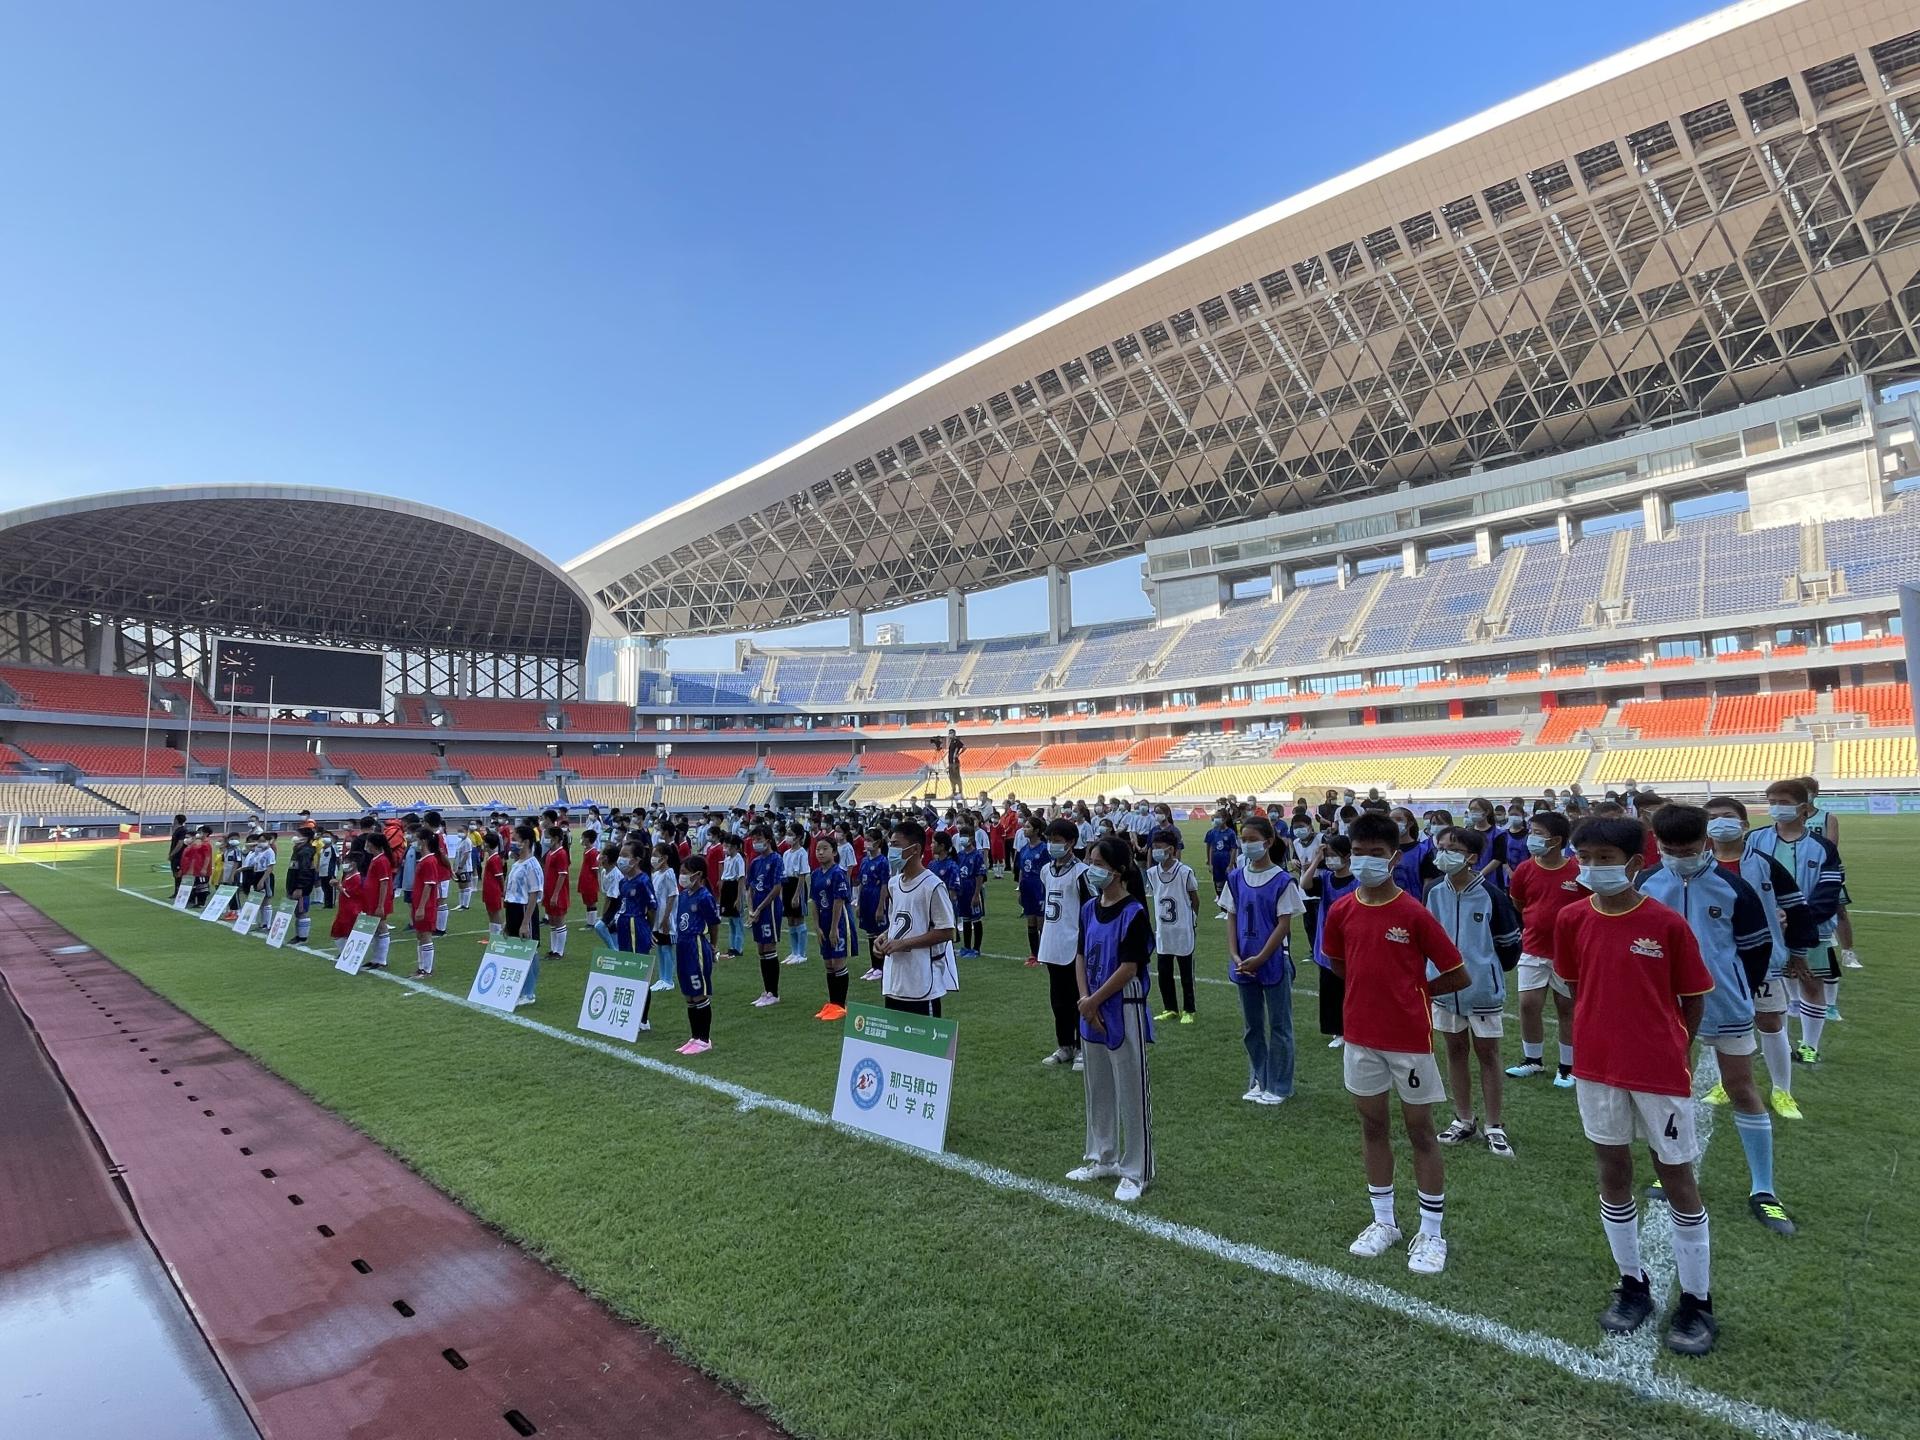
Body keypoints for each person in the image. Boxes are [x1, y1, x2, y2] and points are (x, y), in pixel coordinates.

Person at [1555, 815, 1718, 1354]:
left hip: (1657, 1074)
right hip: (1597, 1069)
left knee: (1676, 1177)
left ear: (1633, 863)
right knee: (1613, 1169)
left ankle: (1697, 1300)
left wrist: (1673, 1047)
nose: (1594, 867)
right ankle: (1632, 1282)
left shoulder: (1667, 925)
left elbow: (1692, 997)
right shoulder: (1572, 919)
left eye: (1606, 858)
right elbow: (1577, 986)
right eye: (1587, 857)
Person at [1320, 812, 1468, 1276]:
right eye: (1358, 853)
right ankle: (1384, 1221)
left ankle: (1431, 1231)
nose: (1365, 862)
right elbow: (1341, 966)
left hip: (1409, 1041)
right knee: (1372, 1128)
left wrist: (1414, 993)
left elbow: (1457, 973)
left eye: (1376, 854)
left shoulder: (1413, 913)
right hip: (1360, 1038)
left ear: (1395, 857)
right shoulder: (1342, 909)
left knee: (1421, 1131)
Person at [1639, 804, 1794, 1235]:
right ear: (1658, 845)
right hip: (1667, 1009)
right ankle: (1669, 1171)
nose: (1678, 856)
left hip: (1727, 1006)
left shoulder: (1734, 889)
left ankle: (1764, 1189)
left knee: (1742, 1088)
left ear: (1705, 842)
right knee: (1672, 1091)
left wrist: (1732, 986)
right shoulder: (1647, 884)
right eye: (1669, 849)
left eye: (1687, 849)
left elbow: (1756, 951)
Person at [1704, 796, 1817, 1120]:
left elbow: (1796, 908)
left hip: (1762, 959)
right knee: (1718, 1024)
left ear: (1744, 825)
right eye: (1712, 818)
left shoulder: (1765, 864)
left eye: (1727, 816)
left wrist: (1797, 952)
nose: (1719, 823)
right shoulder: (1697, 867)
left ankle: (1782, 1090)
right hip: (1715, 962)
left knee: (1770, 1022)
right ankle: (1725, 1084)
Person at [1065, 835, 1156, 1203]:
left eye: (1098, 863)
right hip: (1092, 1007)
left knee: (1131, 1090)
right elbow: (1081, 955)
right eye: (1089, 860)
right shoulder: (1089, 908)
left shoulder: (1134, 911)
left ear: (1118, 870)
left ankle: (1137, 1170)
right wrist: (1086, 1000)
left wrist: (1096, 1001)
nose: (1091, 869)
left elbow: (1130, 966)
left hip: (1124, 1007)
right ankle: (1102, 1157)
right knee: (1097, 1086)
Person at [1425, 826, 1522, 1159]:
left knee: (1488, 1054)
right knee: (1454, 1051)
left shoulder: (1492, 896)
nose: (1443, 852)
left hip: (1481, 992)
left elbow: (1509, 946)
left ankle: (1494, 1125)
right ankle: (1463, 1118)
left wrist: (1486, 972)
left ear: (1471, 857)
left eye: (1452, 847)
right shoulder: (1433, 891)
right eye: (1441, 846)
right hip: (1444, 990)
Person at [1742, 779, 1845, 1064]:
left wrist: (1797, 917)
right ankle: (1779, 1045)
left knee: (1812, 983)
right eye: (1772, 801)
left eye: (1784, 802)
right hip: (1764, 930)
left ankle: (1810, 1045)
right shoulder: (1755, 839)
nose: (1776, 807)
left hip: (1812, 930)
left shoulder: (1823, 847)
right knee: (1774, 986)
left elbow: (1828, 891)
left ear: (1803, 807)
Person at [1222, 816, 1305, 1107]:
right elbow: (1231, 916)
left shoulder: (1283, 880)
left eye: (1251, 839)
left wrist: (1261, 957)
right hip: (1243, 962)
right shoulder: (1235, 878)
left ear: (1268, 842)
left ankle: (1280, 1085)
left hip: (1271, 962)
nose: (1246, 844)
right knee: (1252, 1026)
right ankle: (1259, 1078)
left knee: (1280, 1026)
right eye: (1243, 839)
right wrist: (1235, 955)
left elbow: (1283, 925)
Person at [1505, 809, 1582, 1087]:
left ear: (1557, 840)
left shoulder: (1576, 870)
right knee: (1528, 1004)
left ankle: (1567, 1066)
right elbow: (1519, 902)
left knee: (1566, 1008)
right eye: (1531, 832)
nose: (1531, 838)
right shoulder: (1526, 869)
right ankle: (1532, 1060)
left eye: (1538, 833)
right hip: (1534, 947)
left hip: (1568, 952)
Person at [874, 819, 957, 1017]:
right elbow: (899, 921)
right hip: (895, 980)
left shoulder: (932, 885)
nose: (891, 850)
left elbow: (947, 931)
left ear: (915, 848)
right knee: (896, 1046)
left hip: (922, 982)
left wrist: (903, 944)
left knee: (925, 1047)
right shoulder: (894, 883)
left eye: (896, 845)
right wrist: (885, 936)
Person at [1037, 817, 1090, 1068]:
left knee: (1076, 998)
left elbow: (1089, 911)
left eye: (1056, 841)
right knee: (1058, 1001)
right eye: (1049, 840)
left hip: (1074, 945)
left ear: (1070, 843)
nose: (1051, 845)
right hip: (1052, 944)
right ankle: (1064, 1045)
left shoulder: (1082, 873)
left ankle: (1083, 1047)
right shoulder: (1046, 871)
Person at [1303, 833, 1357, 1048]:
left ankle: (1352, 1028)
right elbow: (1304, 884)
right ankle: (1337, 1031)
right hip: (1326, 944)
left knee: (1350, 989)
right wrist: (1316, 860)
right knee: (1330, 990)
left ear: (1346, 856)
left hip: (1350, 944)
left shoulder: (1357, 881)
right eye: (1328, 855)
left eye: (1334, 855)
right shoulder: (1325, 878)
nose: (1330, 859)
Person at [1145, 827, 1199, 1025]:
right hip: (1163, 931)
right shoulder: (1152, 873)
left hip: (1182, 929)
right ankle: (1170, 1008)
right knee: (1164, 972)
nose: (1156, 851)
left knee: (1185, 973)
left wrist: (1192, 917)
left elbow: (1194, 898)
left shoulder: (1184, 872)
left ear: (1171, 849)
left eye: (1159, 848)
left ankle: (1189, 1009)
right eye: (1154, 847)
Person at [671, 855, 721, 1054]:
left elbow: (714, 923)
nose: (681, 877)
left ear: (698, 875)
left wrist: (713, 946)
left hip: (696, 945)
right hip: (682, 945)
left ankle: (704, 1039)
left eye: (685, 873)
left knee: (699, 993)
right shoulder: (684, 895)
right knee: (689, 995)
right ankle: (694, 1036)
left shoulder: (704, 896)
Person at [809, 836, 854, 1022]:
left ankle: (840, 1005)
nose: (820, 852)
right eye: (818, 849)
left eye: (824, 849)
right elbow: (814, 901)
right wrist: (817, 927)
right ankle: (832, 1004)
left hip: (838, 922)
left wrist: (834, 928)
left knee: (838, 963)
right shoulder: (816, 874)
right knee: (828, 964)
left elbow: (838, 901)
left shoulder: (837, 873)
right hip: (824, 922)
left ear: (834, 852)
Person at [503, 824, 545, 1005]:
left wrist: (525, 922)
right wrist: (507, 922)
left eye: (515, 839)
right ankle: (521, 989)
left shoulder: (532, 865)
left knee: (529, 949)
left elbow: (534, 893)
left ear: (526, 842)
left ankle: (529, 993)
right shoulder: (517, 863)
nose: (512, 842)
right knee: (518, 949)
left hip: (524, 909)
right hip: (513, 908)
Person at [409, 830, 448, 978]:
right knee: (420, 935)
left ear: (423, 841)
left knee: (425, 935)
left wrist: (421, 907)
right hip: (419, 903)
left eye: (416, 838)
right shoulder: (424, 860)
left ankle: (427, 969)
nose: (414, 842)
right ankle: (421, 968)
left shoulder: (430, 861)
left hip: (425, 905)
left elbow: (429, 885)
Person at [856, 826, 891, 983]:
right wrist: (858, 903)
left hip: (876, 898)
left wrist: (880, 906)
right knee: (870, 934)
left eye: (869, 840)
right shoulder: (864, 861)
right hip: (866, 899)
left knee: (879, 934)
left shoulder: (883, 861)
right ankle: (874, 965)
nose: (866, 843)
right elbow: (861, 883)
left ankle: (882, 966)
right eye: (865, 839)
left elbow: (884, 885)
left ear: (878, 843)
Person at [1014, 816, 1049, 967]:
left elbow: (1048, 871)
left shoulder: (1044, 849)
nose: (1024, 829)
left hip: (1040, 888)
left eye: (1028, 827)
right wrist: (1020, 890)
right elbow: (1022, 870)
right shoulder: (1023, 850)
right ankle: (1033, 954)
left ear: (1036, 830)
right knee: (1031, 922)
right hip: (1027, 888)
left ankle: (1044, 955)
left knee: (1042, 924)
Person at [361, 829, 396, 971]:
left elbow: (384, 883)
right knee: (375, 929)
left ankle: (381, 959)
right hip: (372, 899)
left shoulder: (382, 860)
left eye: (368, 843)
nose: (366, 845)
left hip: (378, 900)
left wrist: (381, 905)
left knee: (381, 927)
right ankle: (375, 958)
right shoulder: (376, 859)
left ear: (373, 844)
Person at [650, 841, 680, 994]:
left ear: (665, 858)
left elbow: (672, 896)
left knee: (667, 947)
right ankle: (662, 978)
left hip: (665, 918)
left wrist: (667, 919)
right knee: (660, 948)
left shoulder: (669, 873)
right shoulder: (655, 874)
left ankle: (669, 980)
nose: (653, 858)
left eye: (656, 855)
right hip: (657, 918)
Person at [781, 822, 811, 964]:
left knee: (799, 918)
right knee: (790, 919)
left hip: (797, 886)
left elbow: (802, 875)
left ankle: (802, 953)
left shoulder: (802, 853)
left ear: (799, 837)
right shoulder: (786, 853)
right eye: (787, 834)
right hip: (787, 885)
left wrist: (797, 895)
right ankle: (793, 952)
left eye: (791, 835)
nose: (788, 837)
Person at [954, 825, 986, 957]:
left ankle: (976, 948)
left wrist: (977, 894)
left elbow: (980, 875)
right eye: (961, 836)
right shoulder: (959, 855)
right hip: (963, 892)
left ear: (972, 838)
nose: (962, 839)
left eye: (965, 836)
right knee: (966, 919)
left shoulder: (977, 855)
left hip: (973, 890)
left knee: (976, 920)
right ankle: (966, 947)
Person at [287, 825, 320, 946]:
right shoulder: (298, 849)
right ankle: (299, 935)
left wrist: (300, 887)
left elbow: (305, 870)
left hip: (300, 886)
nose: (295, 837)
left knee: (302, 911)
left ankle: (303, 937)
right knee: (297, 911)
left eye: (298, 835)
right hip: (294, 884)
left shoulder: (305, 851)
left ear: (305, 838)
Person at [330, 853, 365, 950]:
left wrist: (338, 886)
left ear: (354, 864)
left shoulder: (357, 878)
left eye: (346, 862)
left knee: (344, 932)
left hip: (351, 910)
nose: (344, 864)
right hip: (344, 909)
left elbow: (350, 894)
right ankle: (344, 952)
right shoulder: (348, 876)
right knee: (339, 931)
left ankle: (347, 953)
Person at [1203, 810, 1237, 908]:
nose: (1216, 820)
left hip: (1225, 860)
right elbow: (1210, 847)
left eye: (1218, 817)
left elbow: (1233, 848)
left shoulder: (1230, 833)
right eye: (1215, 817)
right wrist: (1210, 863)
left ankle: (1229, 906)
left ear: (1225, 819)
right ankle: (1222, 906)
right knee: (1218, 882)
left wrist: (1231, 864)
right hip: (1216, 860)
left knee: (1228, 882)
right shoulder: (1213, 832)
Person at [719, 833, 746, 958]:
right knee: (730, 920)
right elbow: (725, 875)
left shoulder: (739, 859)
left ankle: (738, 948)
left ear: (735, 847)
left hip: (734, 887)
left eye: (729, 847)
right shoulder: (728, 858)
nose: (726, 849)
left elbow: (741, 878)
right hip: (727, 888)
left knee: (737, 921)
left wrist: (739, 898)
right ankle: (731, 946)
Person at [479, 830, 506, 944]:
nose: (482, 844)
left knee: (495, 913)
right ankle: (493, 937)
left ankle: (498, 937)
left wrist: (503, 890)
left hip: (493, 890)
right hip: (488, 890)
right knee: (490, 912)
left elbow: (500, 876)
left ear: (488, 844)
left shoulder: (495, 859)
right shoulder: (491, 857)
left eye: (484, 842)